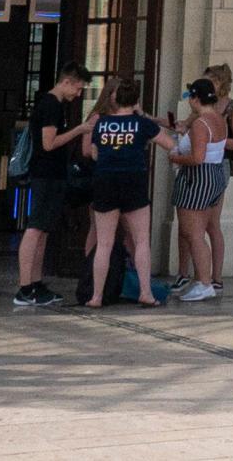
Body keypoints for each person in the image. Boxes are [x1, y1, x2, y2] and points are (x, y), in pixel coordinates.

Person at [82, 75, 164, 308]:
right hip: (134, 181)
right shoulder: (143, 124)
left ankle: (96, 296)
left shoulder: (101, 123)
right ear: (135, 100)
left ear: (114, 98)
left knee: (104, 243)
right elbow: (169, 144)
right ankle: (146, 292)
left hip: (105, 181)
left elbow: (94, 153)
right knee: (141, 241)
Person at [12, 65, 90, 309]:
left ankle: (36, 282)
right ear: (66, 82)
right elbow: (48, 143)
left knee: (43, 229)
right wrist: (79, 130)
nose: (77, 94)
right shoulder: (51, 106)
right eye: (77, 88)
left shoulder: (54, 105)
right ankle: (25, 287)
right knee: (35, 228)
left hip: (52, 175)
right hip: (45, 174)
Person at [165, 77, 227, 302]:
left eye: (189, 96)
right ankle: (205, 280)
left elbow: (197, 158)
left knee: (194, 234)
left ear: (195, 98)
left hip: (197, 179)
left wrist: (176, 157)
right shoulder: (219, 119)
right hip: (215, 176)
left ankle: (204, 282)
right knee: (201, 232)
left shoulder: (201, 123)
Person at [201, 61, 233, 287]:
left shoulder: (232, 107)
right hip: (202, 163)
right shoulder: (205, 103)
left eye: (210, 79)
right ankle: (200, 274)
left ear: (220, 83)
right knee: (198, 223)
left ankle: (216, 276)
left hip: (220, 164)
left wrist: (215, 140)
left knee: (212, 223)